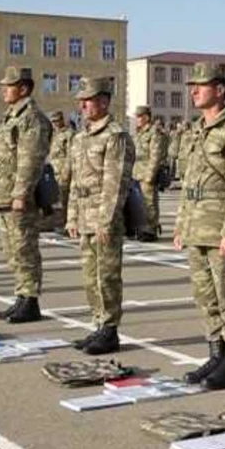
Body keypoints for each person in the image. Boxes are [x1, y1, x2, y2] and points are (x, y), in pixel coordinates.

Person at [174, 63, 225, 390]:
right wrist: (181, 224)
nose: (194, 90)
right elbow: (189, 182)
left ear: (220, 90)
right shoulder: (197, 130)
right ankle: (216, 354)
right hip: (197, 226)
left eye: (201, 85)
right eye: (192, 85)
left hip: (221, 228)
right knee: (205, 297)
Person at [68, 77, 134, 355]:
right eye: (81, 100)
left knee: (106, 275)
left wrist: (106, 220)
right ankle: (98, 324)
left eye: (89, 99)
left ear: (104, 101)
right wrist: (71, 215)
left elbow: (115, 182)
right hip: (84, 214)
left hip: (103, 217)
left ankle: (109, 330)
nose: (83, 104)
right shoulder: (81, 136)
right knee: (89, 275)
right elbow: (75, 180)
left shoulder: (115, 135)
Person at [0, 67, 52, 323]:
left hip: (17, 195)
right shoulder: (11, 116)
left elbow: (30, 160)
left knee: (24, 249)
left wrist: (21, 194)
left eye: (9, 85)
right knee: (12, 251)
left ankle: (31, 300)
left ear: (23, 89)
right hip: (3, 193)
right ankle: (21, 296)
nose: (4, 89)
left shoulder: (31, 118)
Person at [132, 105, 168, 242]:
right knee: (139, 202)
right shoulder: (139, 133)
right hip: (137, 172)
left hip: (147, 171)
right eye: (137, 116)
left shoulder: (154, 133)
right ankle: (141, 228)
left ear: (146, 117)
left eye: (140, 116)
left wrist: (150, 176)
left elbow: (155, 156)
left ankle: (151, 229)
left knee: (149, 202)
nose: (137, 119)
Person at [48, 110, 74, 232]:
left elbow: (70, 155)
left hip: (64, 171)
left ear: (61, 120)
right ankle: (61, 222)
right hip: (54, 171)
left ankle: (68, 225)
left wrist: (66, 172)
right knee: (58, 199)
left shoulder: (69, 134)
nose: (54, 124)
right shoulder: (54, 135)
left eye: (56, 121)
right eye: (52, 121)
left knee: (66, 199)